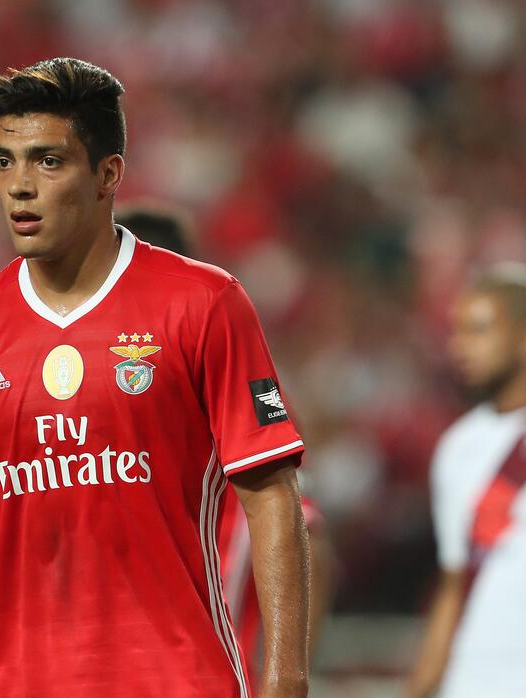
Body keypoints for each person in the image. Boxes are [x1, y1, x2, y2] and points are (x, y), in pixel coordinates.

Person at [0, 57, 311, 698]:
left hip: (177, 681)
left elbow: (271, 495)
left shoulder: (202, 302)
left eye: (47, 161)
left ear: (107, 174)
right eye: (4, 161)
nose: (19, 186)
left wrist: (286, 681)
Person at [113, 203, 336, 692]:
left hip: (212, 676)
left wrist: (283, 679)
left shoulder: (232, 375)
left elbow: (307, 538)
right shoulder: (105, 399)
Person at [405, 265, 526, 698]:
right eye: (456, 332)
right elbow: (454, 584)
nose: (459, 346)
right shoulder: (457, 447)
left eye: (479, 330)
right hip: (467, 686)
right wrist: (422, 686)